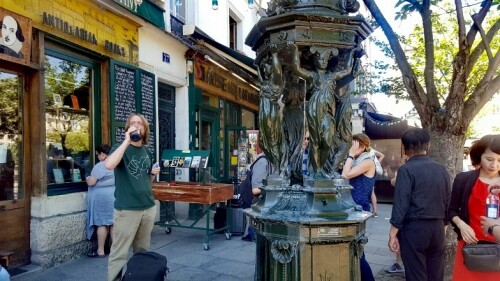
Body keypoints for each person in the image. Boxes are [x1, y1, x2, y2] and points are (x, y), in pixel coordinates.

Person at [389, 128, 450, 281]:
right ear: (427, 145)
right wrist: (444, 225)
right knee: (436, 275)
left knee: (416, 275)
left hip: (414, 228)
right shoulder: (441, 169)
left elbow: (401, 203)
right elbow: (448, 199)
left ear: (404, 147)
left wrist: (392, 233)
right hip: (437, 227)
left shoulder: (406, 170)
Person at [104, 113, 160, 281]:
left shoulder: (147, 152)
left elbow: (146, 180)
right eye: (132, 123)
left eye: (140, 124)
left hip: (148, 207)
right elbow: (109, 165)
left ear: (145, 129)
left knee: (142, 251)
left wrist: (152, 174)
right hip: (127, 209)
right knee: (119, 252)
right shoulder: (119, 148)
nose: (136, 126)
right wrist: (126, 141)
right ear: (127, 128)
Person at [448, 134, 500, 281]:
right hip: (470, 247)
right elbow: (451, 210)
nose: (494, 165)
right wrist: (461, 224)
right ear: (479, 155)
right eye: (489, 159)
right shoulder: (464, 179)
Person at [341, 133, 375, 281]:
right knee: (352, 249)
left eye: (354, 145)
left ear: (363, 147)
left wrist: (350, 156)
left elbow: (345, 175)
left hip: (359, 209)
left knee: (357, 250)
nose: (351, 148)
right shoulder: (357, 160)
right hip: (350, 208)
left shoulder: (368, 161)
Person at [86, 144, 115, 258]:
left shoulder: (100, 166)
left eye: (98, 154)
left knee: (101, 223)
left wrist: (87, 178)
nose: (98, 157)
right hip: (114, 196)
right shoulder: (116, 164)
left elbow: (91, 182)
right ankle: (114, 250)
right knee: (113, 224)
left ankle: (101, 250)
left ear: (103, 154)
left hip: (101, 198)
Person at [241, 139, 272, 242]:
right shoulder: (263, 162)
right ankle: (251, 234)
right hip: (255, 201)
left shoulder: (269, 161)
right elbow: (255, 190)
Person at [385, 155, 408, 274]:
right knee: (399, 235)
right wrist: (402, 166)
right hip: (402, 209)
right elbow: (393, 182)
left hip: (412, 210)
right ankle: (398, 263)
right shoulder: (403, 168)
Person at [369, 149, 384, 216]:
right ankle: (374, 211)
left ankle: (374, 210)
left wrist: (376, 164)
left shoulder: (369, 149)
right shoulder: (371, 150)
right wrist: (376, 164)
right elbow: (382, 155)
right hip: (371, 170)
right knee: (372, 191)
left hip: (367, 170)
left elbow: (382, 155)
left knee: (371, 191)